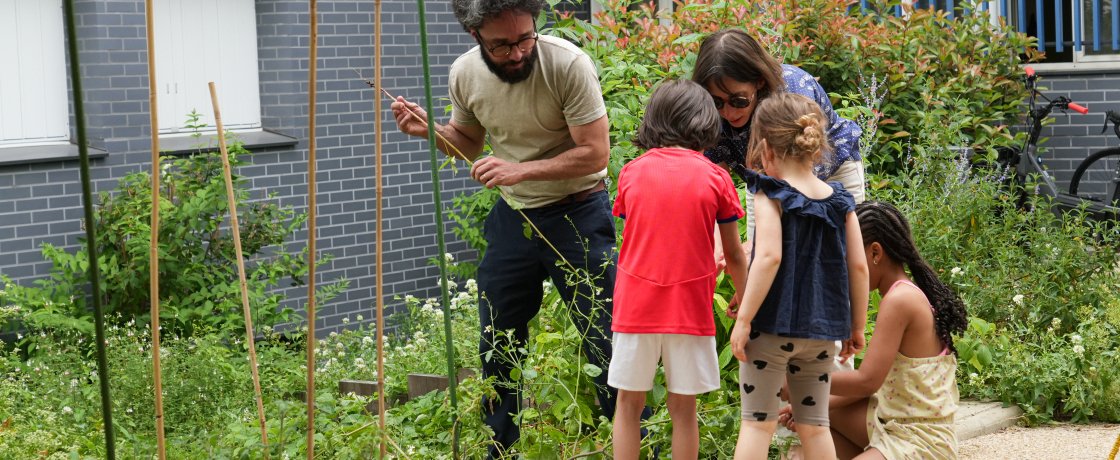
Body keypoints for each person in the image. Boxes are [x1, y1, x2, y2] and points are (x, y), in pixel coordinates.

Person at [389, 0, 635, 456]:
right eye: (503, 44)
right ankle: (500, 449)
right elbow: (467, 143)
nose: (519, 51)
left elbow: (596, 152)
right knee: (497, 340)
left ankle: (630, 444)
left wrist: (520, 171)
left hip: (579, 212)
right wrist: (429, 130)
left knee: (604, 335)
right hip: (514, 217)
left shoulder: (568, 65)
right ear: (475, 35)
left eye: (525, 37)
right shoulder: (464, 73)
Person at [608, 79, 749, 459]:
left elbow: (635, 234)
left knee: (627, 405)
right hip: (689, 306)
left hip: (636, 306)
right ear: (706, 124)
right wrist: (745, 298)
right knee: (684, 411)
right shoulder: (716, 178)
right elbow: (734, 254)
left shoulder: (632, 173)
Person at [726, 93, 869, 460]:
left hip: (772, 331)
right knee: (816, 426)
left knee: (758, 423)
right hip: (821, 336)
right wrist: (856, 327)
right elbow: (858, 266)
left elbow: (769, 256)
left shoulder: (769, 193)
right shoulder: (840, 202)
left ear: (765, 148)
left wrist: (744, 320)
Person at [778, 201, 968, 459]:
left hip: (919, 440)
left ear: (875, 253)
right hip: (890, 423)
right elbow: (872, 388)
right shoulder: (901, 294)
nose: (843, 271)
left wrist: (803, 383)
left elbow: (866, 381)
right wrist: (808, 403)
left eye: (848, 258)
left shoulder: (899, 301)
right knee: (810, 424)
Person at [692, 28, 866, 204]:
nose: (728, 113)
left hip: (830, 170)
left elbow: (803, 166)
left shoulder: (791, 90)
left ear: (759, 81)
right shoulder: (708, 109)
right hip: (765, 180)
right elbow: (715, 181)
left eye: (738, 101)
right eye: (717, 102)